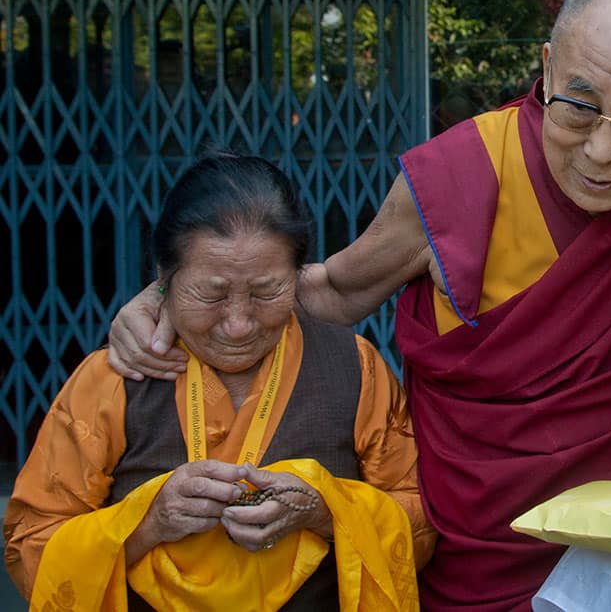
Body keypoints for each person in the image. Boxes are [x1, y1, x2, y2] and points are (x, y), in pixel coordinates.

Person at [104, 0, 611, 609]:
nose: (603, 150)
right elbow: (335, 290)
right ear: (545, 65)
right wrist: (180, 295)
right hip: (476, 552)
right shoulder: (464, 173)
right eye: (575, 105)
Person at [3, 154, 434, 610]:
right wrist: (148, 523)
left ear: (300, 277)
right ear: (162, 279)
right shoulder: (111, 380)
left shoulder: (356, 369)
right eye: (210, 294)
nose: (238, 324)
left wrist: (327, 512)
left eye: (267, 291)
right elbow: (30, 548)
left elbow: (422, 524)